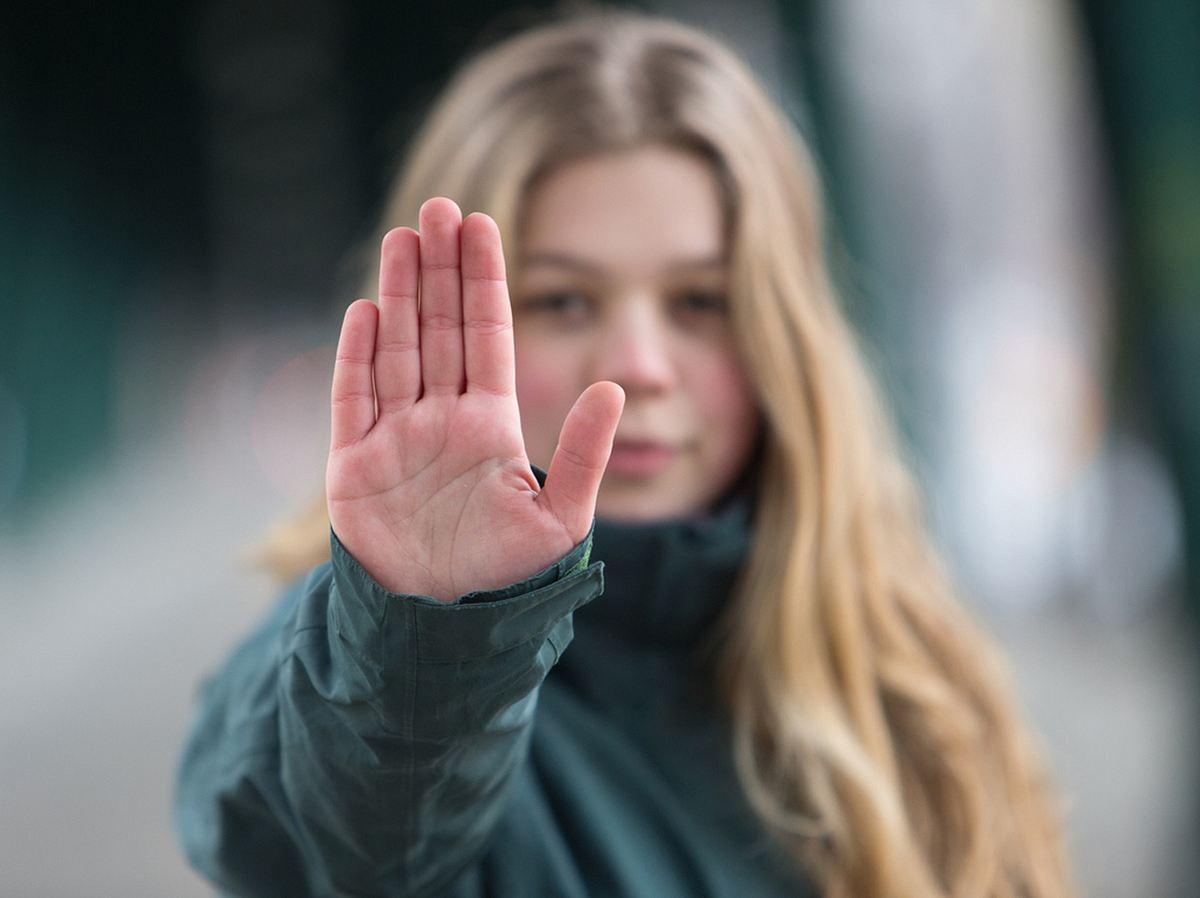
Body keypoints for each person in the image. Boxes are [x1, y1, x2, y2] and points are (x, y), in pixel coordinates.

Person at [174, 9, 1075, 898]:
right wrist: (429, 635)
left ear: (787, 337)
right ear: (436, 318)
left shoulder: (913, 668)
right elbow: (319, 843)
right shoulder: (344, 653)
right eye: (564, 301)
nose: (639, 368)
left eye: (701, 303)